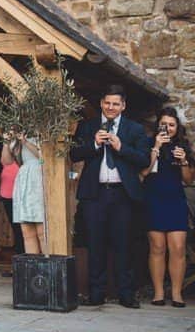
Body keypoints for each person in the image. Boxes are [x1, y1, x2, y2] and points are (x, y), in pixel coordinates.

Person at [70, 84, 149, 309]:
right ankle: (97, 293)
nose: (111, 107)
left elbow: (143, 160)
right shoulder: (87, 126)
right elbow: (73, 153)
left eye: (116, 103)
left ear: (123, 105)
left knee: (124, 244)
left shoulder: (134, 129)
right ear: (101, 103)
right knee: (95, 244)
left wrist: (121, 147)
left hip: (122, 194)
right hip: (95, 194)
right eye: (107, 103)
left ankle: (126, 294)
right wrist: (94, 143)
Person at [142, 107, 193, 308]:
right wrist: (156, 146)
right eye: (164, 124)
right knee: (157, 247)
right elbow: (144, 172)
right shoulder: (147, 143)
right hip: (154, 199)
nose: (168, 128)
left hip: (175, 200)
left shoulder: (183, 146)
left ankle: (177, 293)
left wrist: (184, 161)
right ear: (158, 126)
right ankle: (158, 293)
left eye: (172, 125)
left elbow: (188, 180)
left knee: (178, 248)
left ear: (177, 127)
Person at [7, 133, 45, 254]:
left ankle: (46, 269)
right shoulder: (18, 136)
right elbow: (6, 161)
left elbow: (44, 157)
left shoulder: (44, 130)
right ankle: (32, 270)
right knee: (27, 232)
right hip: (24, 179)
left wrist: (25, 142)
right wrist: (6, 142)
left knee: (42, 232)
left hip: (39, 176)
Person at [0, 137, 24, 274]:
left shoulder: (28, 139)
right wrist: (6, 141)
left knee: (24, 229)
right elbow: (4, 160)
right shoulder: (10, 141)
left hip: (24, 188)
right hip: (8, 190)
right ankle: (17, 266)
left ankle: (23, 265)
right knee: (16, 229)